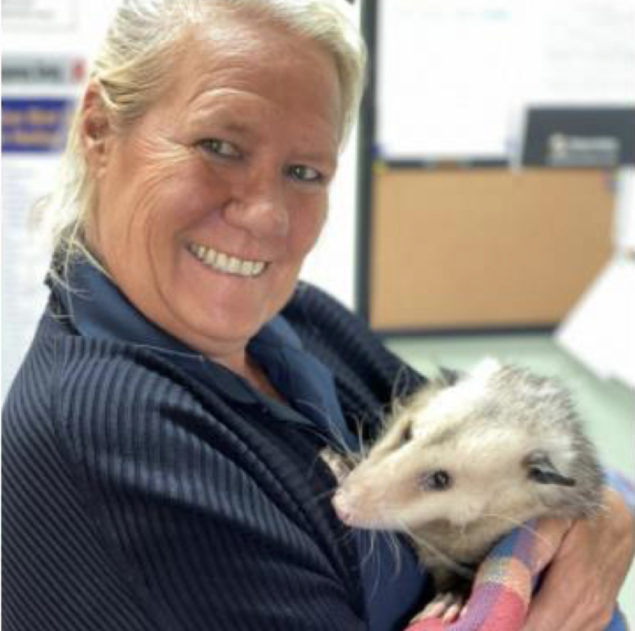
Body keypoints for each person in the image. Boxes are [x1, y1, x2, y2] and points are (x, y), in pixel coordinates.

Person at [2, 1, 633, 630]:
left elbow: (518, 479)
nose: (267, 215)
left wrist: (601, 514)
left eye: (304, 171)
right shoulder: (112, 434)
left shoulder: (296, 322)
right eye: (218, 145)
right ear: (98, 131)